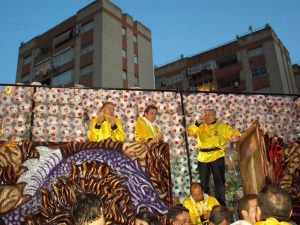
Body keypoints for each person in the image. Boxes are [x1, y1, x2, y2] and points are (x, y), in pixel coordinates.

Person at [187, 108, 242, 205]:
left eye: (209, 115)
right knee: (204, 182)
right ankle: (204, 204)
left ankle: (220, 204)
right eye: (206, 115)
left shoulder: (221, 126)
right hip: (203, 156)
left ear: (215, 116)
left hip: (217, 155)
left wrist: (236, 137)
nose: (207, 117)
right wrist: (196, 124)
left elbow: (233, 133)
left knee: (219, 181)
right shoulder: (200, 126)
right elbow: (190, 132)